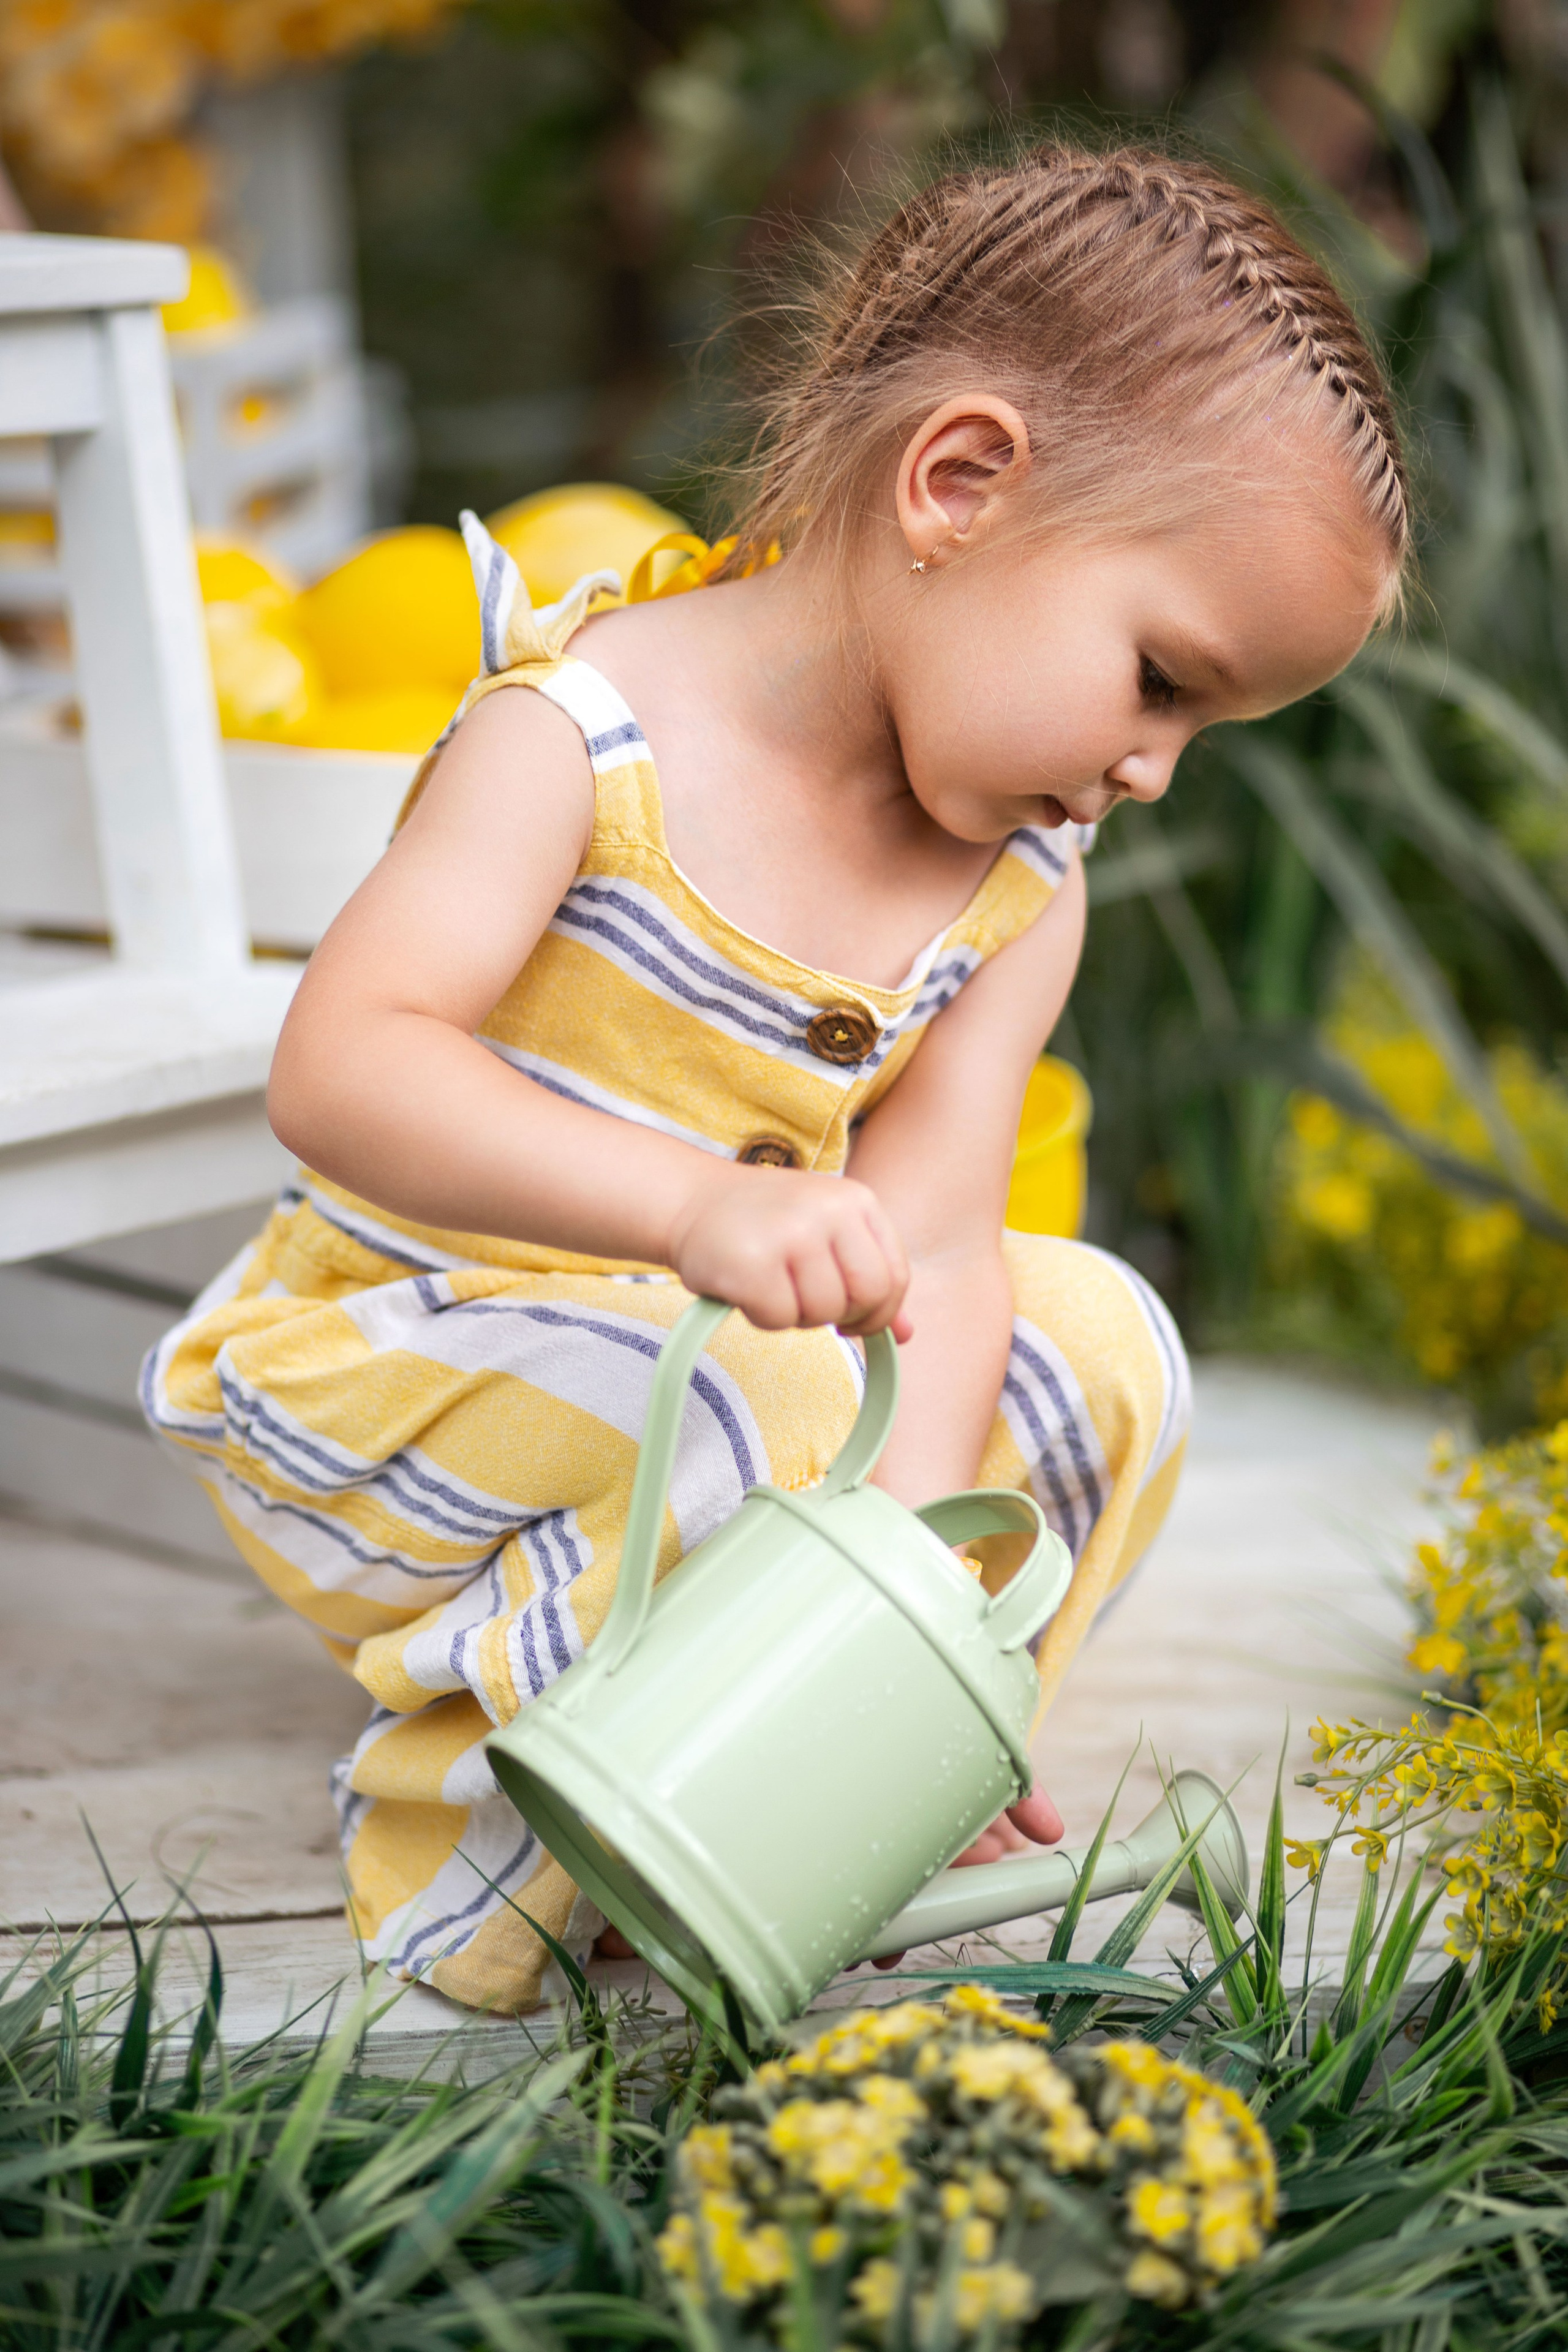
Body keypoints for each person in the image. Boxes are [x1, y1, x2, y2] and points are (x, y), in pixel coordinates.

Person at [144, 142, 1407, 2014]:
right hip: (395, 1365)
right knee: (760, 1391)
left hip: (731, 1397)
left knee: (1102, 1344)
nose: (1155, 770)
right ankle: (479, 1830)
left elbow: (945, 1254)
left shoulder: (1020, 888)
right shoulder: (583, 739)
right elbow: (346, 1067)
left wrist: (894, 1604)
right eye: (1158, 678)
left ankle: (854, 1777)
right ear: (962, 483)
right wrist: (690, 1207)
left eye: (1201, 728)